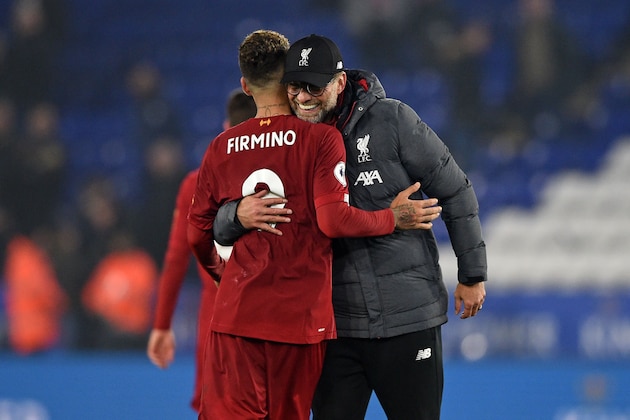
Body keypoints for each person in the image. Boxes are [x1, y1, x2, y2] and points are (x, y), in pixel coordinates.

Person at [213, 34, 487, 419]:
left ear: (340, 83)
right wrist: (238, 213)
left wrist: (472, 274)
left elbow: (456, 190)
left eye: (314, 86)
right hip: (331, 329)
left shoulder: (393, 120)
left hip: (406, 318)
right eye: (295, 86)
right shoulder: (284, 137)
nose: (304, 97)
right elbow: (217, 217)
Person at [145, 89, 257, 413]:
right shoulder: (283, 182)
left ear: (225, 126)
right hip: (272, 327)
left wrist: (162, 325)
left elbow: (176, 260)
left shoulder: (195, 183)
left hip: (216, 332)